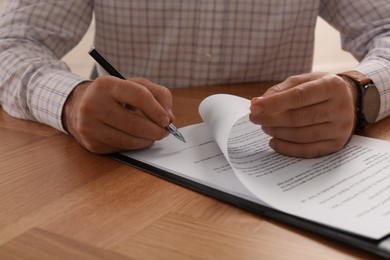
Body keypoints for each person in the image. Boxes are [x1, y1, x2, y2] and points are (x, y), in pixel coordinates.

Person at [0, 1, 389, 158]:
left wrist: (360, 91)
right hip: (114, 164)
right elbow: (10, 43)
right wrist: (69, 100)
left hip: (277, 156)